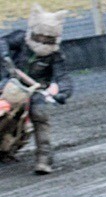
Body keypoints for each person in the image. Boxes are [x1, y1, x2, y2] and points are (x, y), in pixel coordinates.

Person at [0, 4, 72, 174]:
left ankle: (44, 159)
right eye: (39, 37)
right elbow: (2, 41)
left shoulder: (56, 55)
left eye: (48, 39)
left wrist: (63, 93)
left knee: (40, 115)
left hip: (35, 91)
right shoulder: (20, 39)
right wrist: (5, 56)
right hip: (8, 81)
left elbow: (63, 77)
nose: (42, 41)